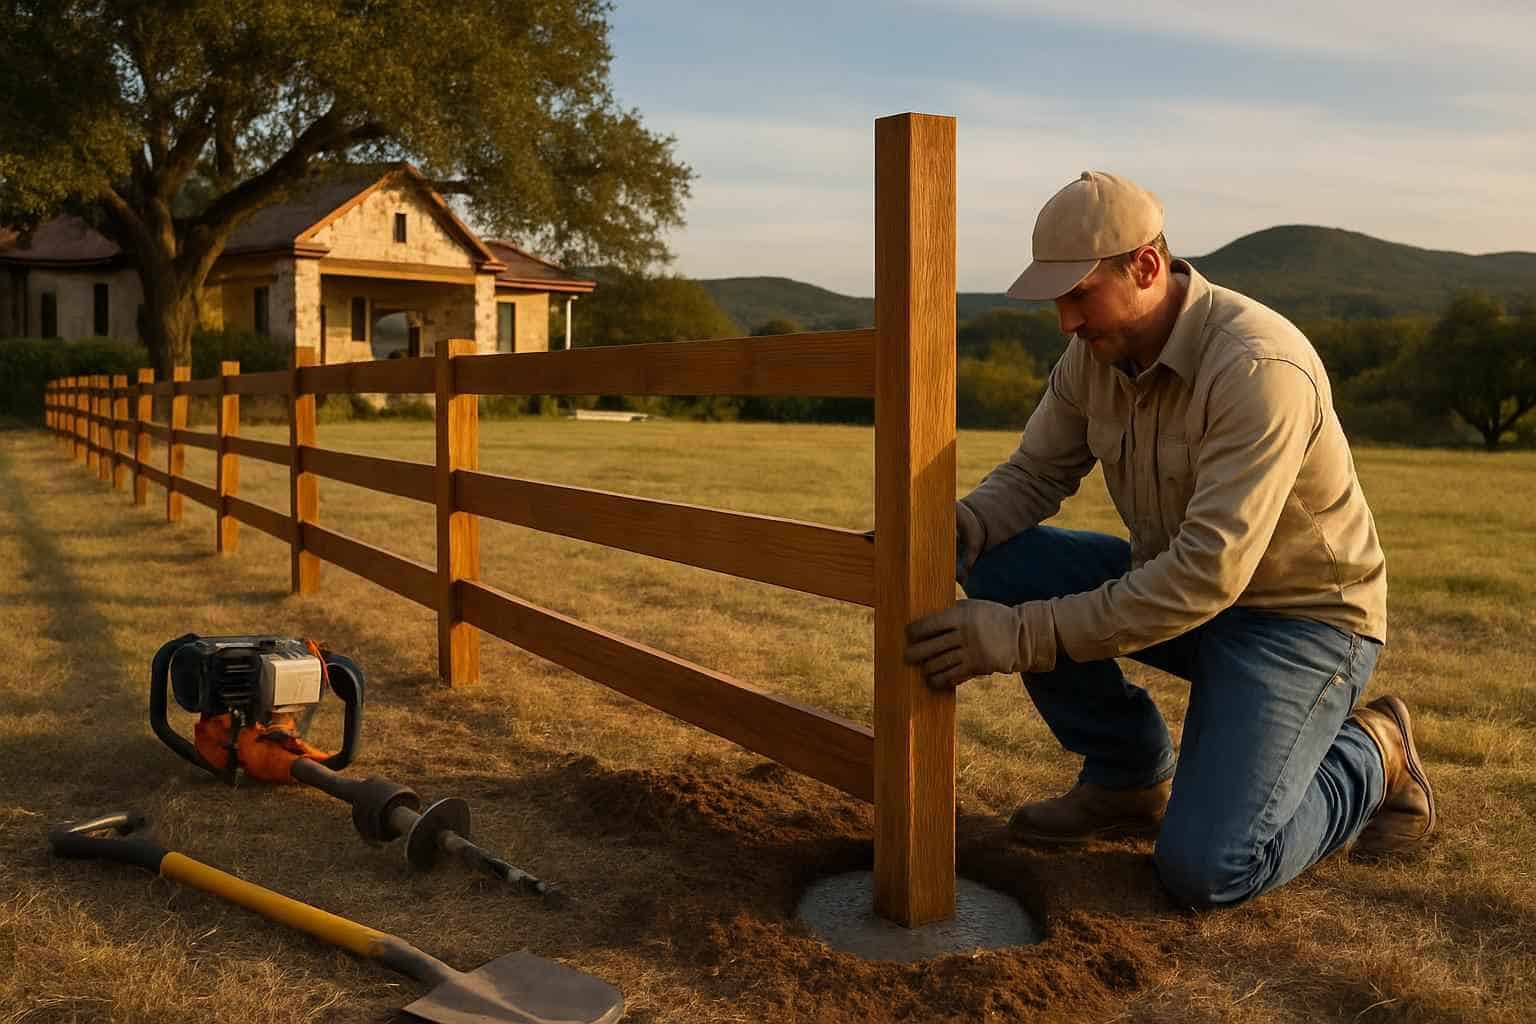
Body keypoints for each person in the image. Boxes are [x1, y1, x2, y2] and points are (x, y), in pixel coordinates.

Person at [903, 171, 1435, 909]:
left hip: (1300, 623)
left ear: (1146, 266)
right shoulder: (1092, 357)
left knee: (1210, 870)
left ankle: (1375, 752)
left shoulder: (1257, 367)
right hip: (1180, 593)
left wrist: (1019, 635)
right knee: (997, 556)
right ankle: (1126, 778)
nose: (1064, 321)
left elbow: (1205, 573)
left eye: (1079, 295)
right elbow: (1034, 474)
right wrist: (953, 530)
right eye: (1056, 300)